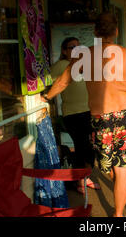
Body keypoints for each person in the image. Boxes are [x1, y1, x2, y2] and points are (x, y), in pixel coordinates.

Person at [42, 12, 126, 217]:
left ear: (95, 31)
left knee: (117, 169)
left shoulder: (84, 55)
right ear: (116, 31)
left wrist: (46, 97)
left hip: (101, 118)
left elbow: (62, 82)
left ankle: (119, 215)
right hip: (124, 116)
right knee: (113, 169)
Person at [45, 37, 100, 194]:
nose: (76, 49)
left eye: (78, 46)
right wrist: (45, 96)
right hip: (73, 114)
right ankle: (80, 181)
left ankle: (83, 178)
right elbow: (48, 80)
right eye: (72, 47)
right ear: (64, 50)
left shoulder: (82, 65)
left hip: (88, 112)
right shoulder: (62, 65)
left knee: (88, 148)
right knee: (82, 147)